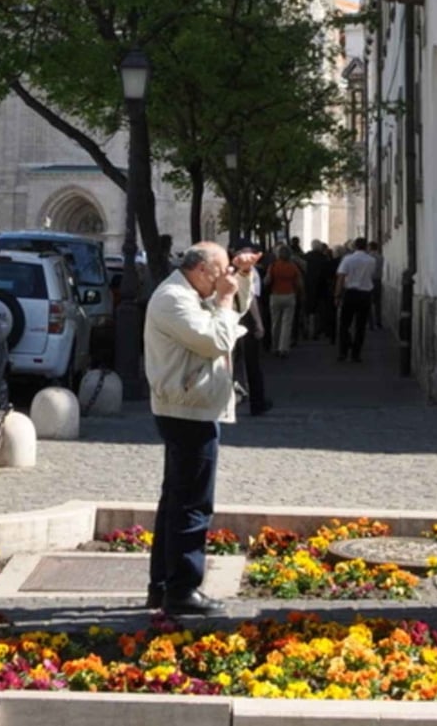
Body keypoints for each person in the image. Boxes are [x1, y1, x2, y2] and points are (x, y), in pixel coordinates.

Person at [143, 241, 249, 615]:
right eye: (220, 272)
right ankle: (182, 588)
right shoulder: (174, 298)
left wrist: (241, 278)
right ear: (202, 270)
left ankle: (161, 585)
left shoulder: (190, 292)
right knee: (192, 503)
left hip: (192, 407)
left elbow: (235, 314)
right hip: (187, 411)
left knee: (175, 500)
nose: (224, 280)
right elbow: (216, 339)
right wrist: (223, 301)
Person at [229, 243, 267, 417]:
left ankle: (226, 401)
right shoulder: (251, 273)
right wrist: (259, 323)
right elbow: (252, 299)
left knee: (227, 361)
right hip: (243, 318)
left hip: (227, 317)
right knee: (251, 363)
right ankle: (256, 402)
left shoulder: (227, 271)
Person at [334, 237, 378, 363]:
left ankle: (343, 352)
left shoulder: (347, 259)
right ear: (366, 247)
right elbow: (372, 275)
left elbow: (341, 278)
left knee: (344, 324)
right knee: (360, 326)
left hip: (350, 293)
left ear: (354, 246)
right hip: (365, 294)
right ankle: (356, 354)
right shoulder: (371, 260)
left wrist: (337, 295)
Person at [266, 245, 303, 359]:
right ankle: (284, 348)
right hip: (289, 295)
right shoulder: (293, 267)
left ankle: (275, 346)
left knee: (275, 322)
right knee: (287, 323)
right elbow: (299, 282)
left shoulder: (273, 266)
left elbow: (267, 281)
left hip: (276, 295)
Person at [368, 241, 385, 331]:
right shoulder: (380, 257)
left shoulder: (368, 257)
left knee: (369, 303)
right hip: (378, 280)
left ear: (370, 247)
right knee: (378, 303)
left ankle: (371, 323)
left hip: (369, 280)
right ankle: (378, 322)